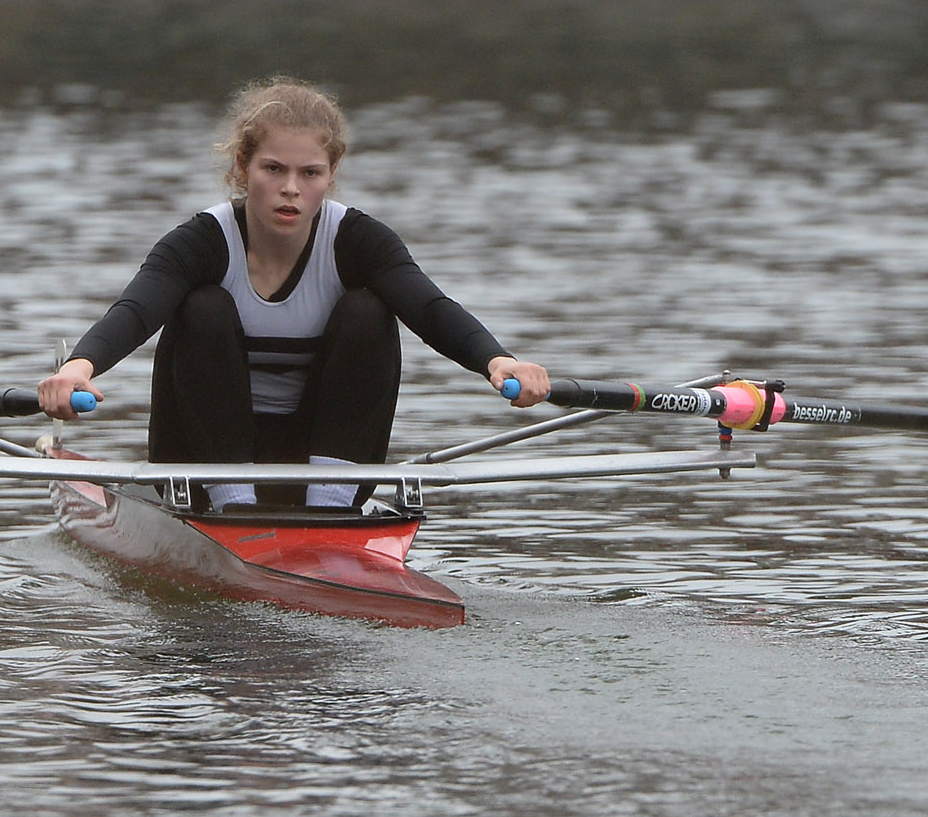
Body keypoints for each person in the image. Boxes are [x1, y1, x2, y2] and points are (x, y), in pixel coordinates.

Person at [36, 79, 550, 511]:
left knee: (371, 311)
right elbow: (136, 309)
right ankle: (230, 500)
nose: (291, 189)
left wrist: (498, 361)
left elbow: (430, 308)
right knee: (202, 307)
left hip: (319, 454)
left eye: (310, 173)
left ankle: (328, 505)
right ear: (243, 167)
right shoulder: (200, 242)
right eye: (273, 169)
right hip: (201, 453)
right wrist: (79, 368)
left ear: (331, 175)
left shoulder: (359, 241)